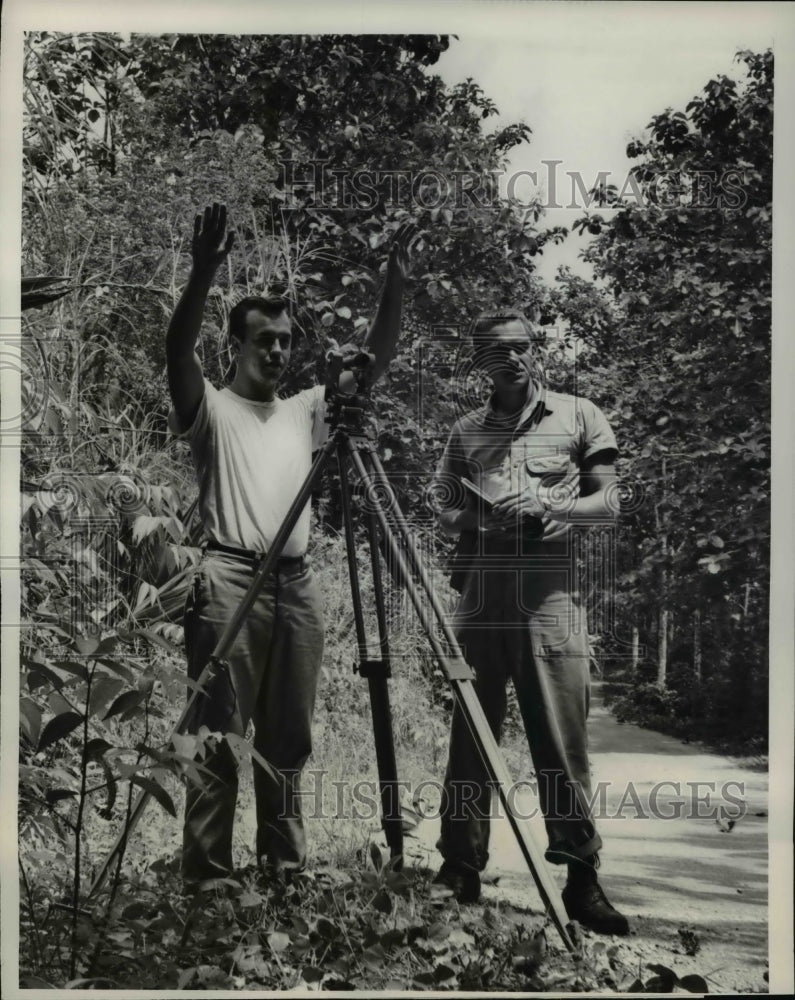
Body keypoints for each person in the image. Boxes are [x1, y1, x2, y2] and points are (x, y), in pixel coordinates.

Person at [166, 202, 411, 886]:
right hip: (227, 579)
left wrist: (394, 282)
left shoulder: (307, 410)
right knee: (216, 741)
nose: (276, 350)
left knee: (287, 742)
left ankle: (282, 877)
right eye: (263, 340)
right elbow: (175, 350)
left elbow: (374, 363)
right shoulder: (210, 408)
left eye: (284, 341)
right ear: (236, 347)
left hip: (296, 585)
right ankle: (208, 883)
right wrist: (202, 273)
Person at [431, 310, 629, 935]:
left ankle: (581, 878)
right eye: (498, 351)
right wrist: (478, 520)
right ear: (480, 362)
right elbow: (444, 514)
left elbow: (611, 502)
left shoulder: (578, 414)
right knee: (471, 734)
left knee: (560, 738)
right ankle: (459, 867)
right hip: (482, 593)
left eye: (522, 348)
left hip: (549, 597)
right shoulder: (464, 431)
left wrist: (550, 501)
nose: (513, 359)